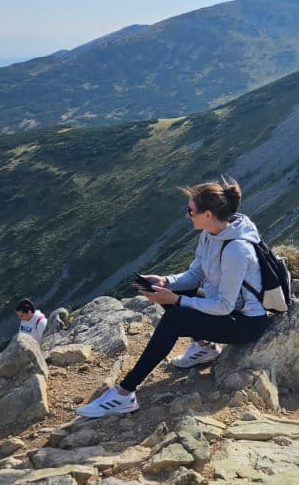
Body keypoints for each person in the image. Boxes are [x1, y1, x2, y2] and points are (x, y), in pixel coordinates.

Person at [77, 177, 270, 418]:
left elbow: (223, 305)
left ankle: (124, 394)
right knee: (175, 294)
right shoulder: (211, 235)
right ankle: (205, 347)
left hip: (246, 323)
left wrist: (176, 301)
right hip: (229, 311)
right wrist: (165, 282)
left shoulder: (236, 250)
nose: (187, 215)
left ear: (208, 214)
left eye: (191, 210)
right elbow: (195, 274)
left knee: (174, 319)